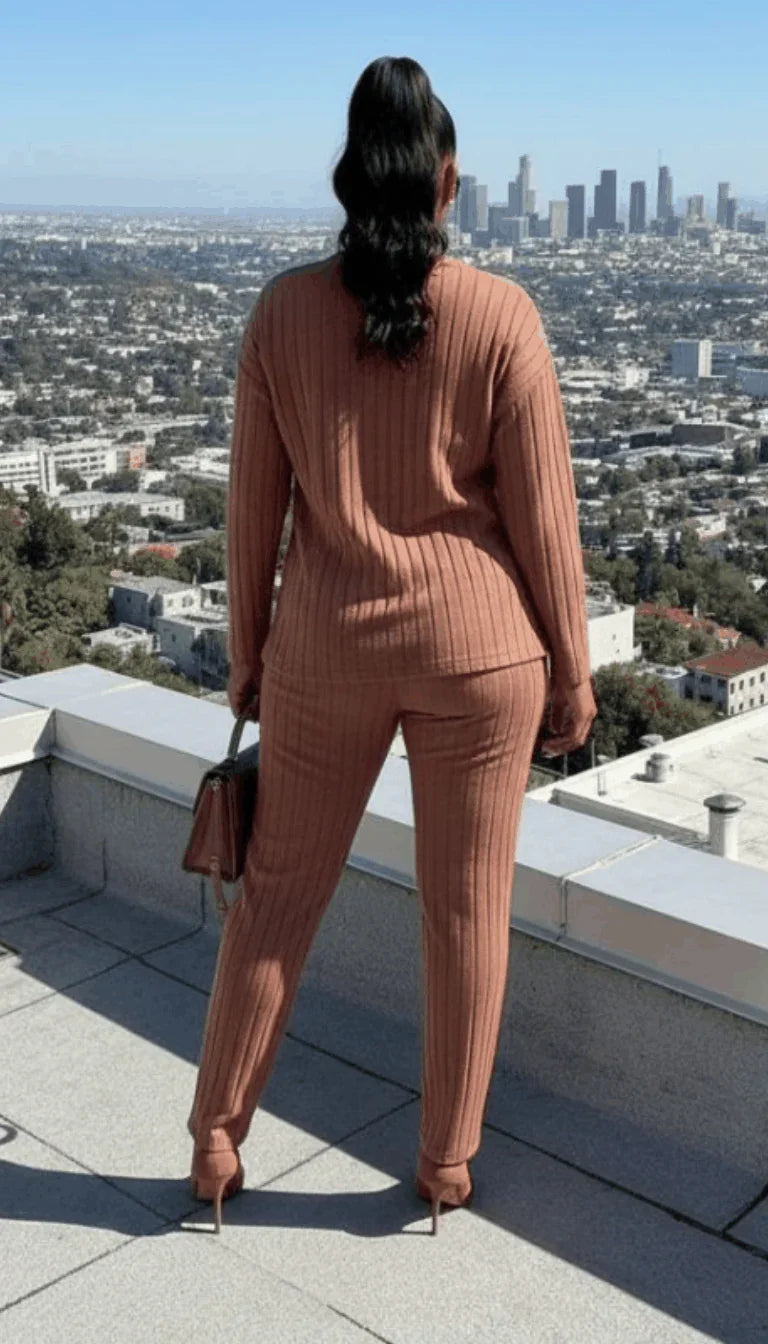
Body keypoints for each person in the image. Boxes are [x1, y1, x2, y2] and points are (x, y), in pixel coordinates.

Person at [186, 54, 597, 1237]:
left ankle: (216, 1146)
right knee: (464, 914)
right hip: (483, 658)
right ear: (448, 185)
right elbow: (544, 524)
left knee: (274, 903)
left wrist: (252, 658)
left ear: (348, 182)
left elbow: (252, 518)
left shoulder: (280, 314)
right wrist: (572, 671)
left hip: (323, 650)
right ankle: (445, 1168)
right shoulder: (501, 315)